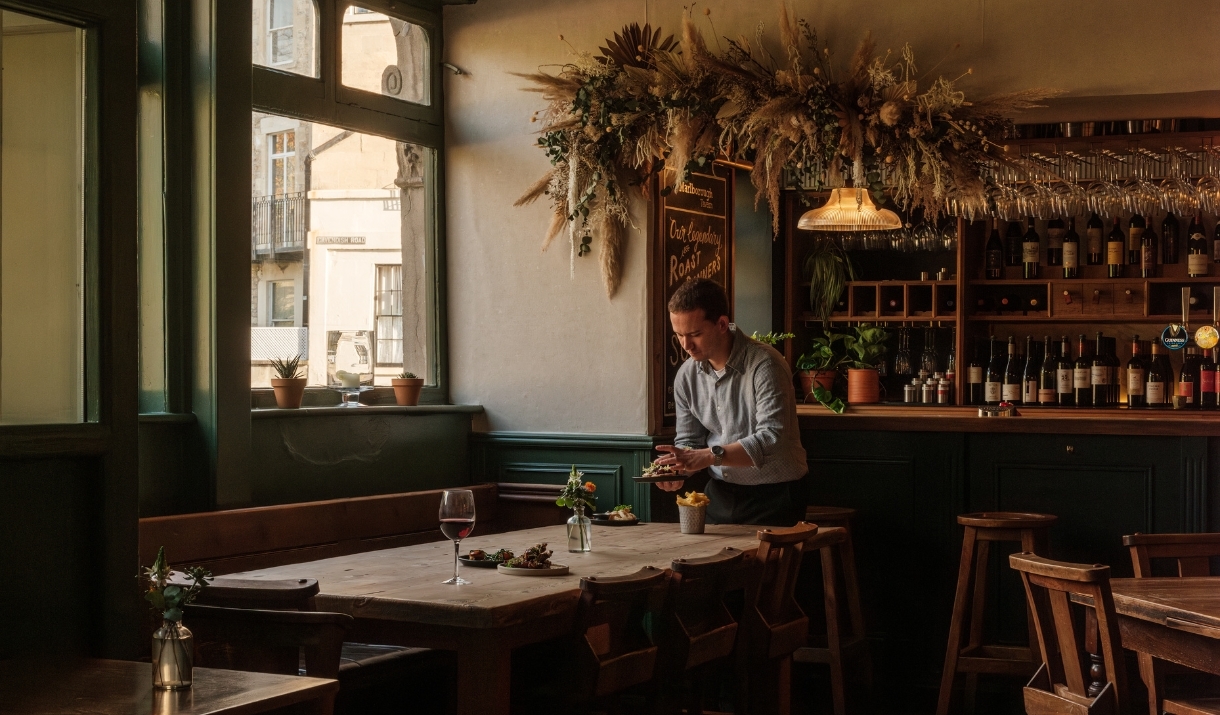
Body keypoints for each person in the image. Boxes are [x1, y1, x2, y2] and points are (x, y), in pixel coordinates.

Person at [654, 278, 808, 525]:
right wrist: (678, 467)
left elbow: (771, 439)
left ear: (722, 324)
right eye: (679, 334)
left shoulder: (765, 364)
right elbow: (690, 441)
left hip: (775, 494)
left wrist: (708, 456)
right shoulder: (686, 375)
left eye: (695, 334)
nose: (686, 345)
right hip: (720, 493)